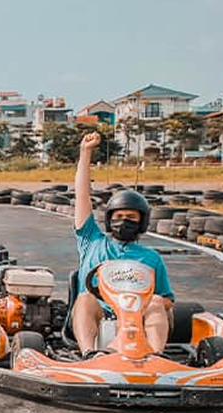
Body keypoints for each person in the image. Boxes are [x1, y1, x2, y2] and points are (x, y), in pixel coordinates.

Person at [71, 131, 173, 356]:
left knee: (156, 301)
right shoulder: (92, 242)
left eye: (131, 217)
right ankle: (89, 353)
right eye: (118, 217)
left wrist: (144, 305)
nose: (123, 222)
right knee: (85, 298)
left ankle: (156, 355)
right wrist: (85, 152)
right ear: (109, 220)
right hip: (100, 313)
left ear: (141, 222)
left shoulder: (151, 258)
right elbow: (81, 196)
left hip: (139, 317)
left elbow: (167, 300)